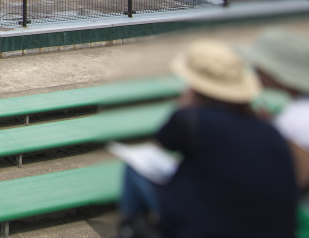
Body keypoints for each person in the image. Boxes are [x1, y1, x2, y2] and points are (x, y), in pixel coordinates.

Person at [116, 39, 297, 238]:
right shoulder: (270, 130)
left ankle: (129, 230)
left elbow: (162, 141)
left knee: (134, 169)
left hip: (207, 228)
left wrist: (186, 104)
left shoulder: (192, 120)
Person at [245, 27, 309, 191]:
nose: (256, 72)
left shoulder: (293, 118)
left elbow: (297, 178)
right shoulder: (294, 113)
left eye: (260, 68)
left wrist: (269, 131)